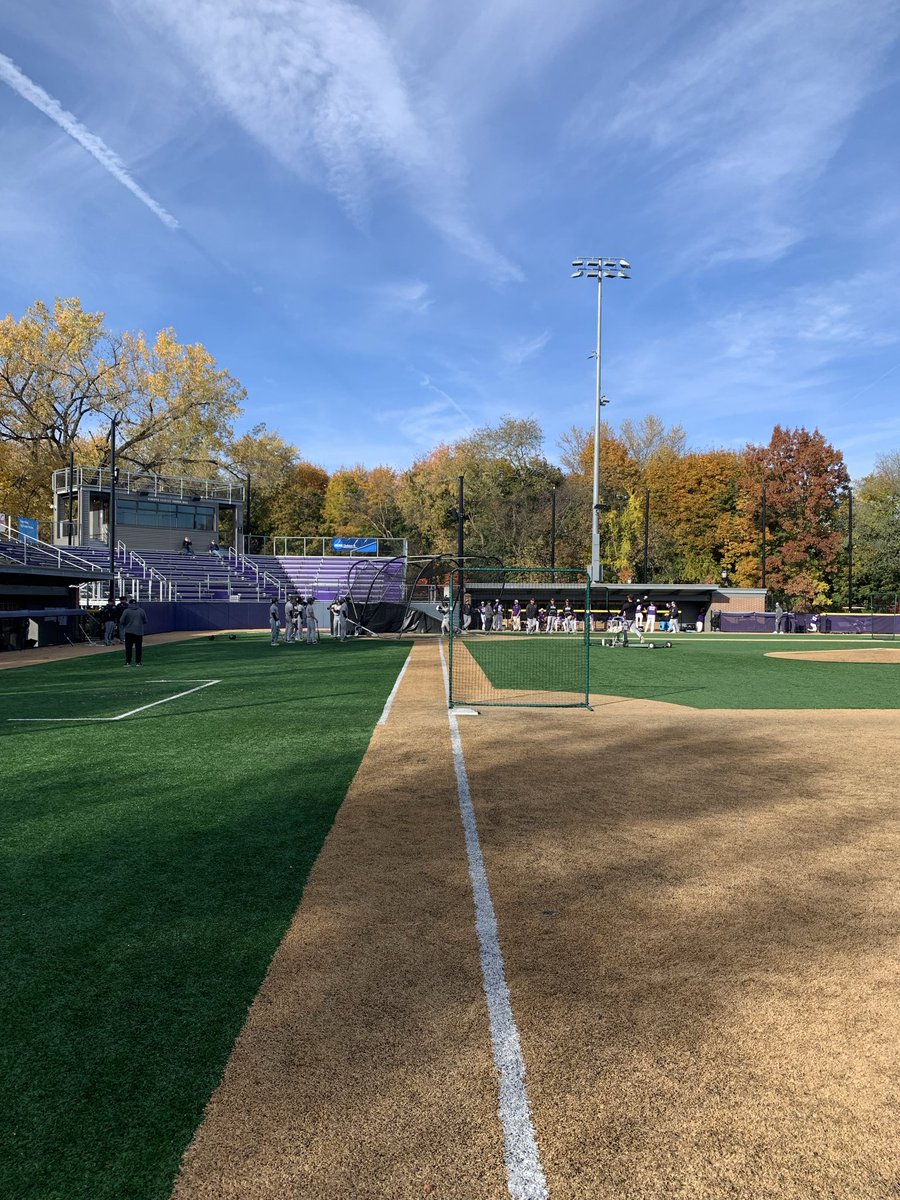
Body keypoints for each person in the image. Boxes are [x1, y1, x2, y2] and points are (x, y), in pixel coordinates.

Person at [119, 598, 148, 666]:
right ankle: (138, 662)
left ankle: (128, 662)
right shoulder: (141, 611)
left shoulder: (126, 611)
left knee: (128, 648)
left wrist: (126, 624)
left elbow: (121, 621)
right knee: (138, 648)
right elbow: (145, 621)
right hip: (139, 632)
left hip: (129, 631)